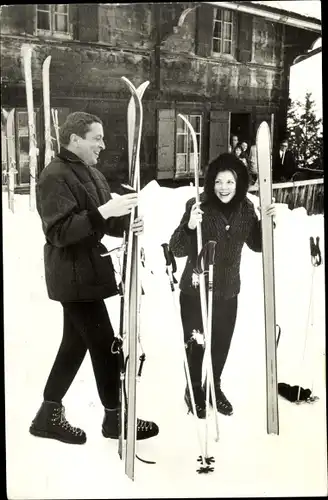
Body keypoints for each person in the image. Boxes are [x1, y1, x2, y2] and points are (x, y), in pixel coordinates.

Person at [29, 112, 159, 445]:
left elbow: (103, 222)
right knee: (103, 344)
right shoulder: (54, 176)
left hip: (87, 271)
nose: (103, 144)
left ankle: (48, 415)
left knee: (74, 345)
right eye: (96, 138)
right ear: (75, 139)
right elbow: (58, 232)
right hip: (71, 273)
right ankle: (115, 419)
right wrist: (105, 213)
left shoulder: (92, 174)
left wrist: (126, 223)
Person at [169, 153, 276, 418]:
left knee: (221, 343)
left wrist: (267, 223)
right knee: (197, 343)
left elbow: (257, 245)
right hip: (196, 289)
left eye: (230, 181)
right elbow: (177, 248)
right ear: (211, 183)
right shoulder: (197, 205)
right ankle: (193, 389)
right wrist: (191, 225)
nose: (224, 187)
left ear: (239, 183)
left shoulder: (246, 209)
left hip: (228, 290)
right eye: (218, 181)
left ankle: (213, 387)